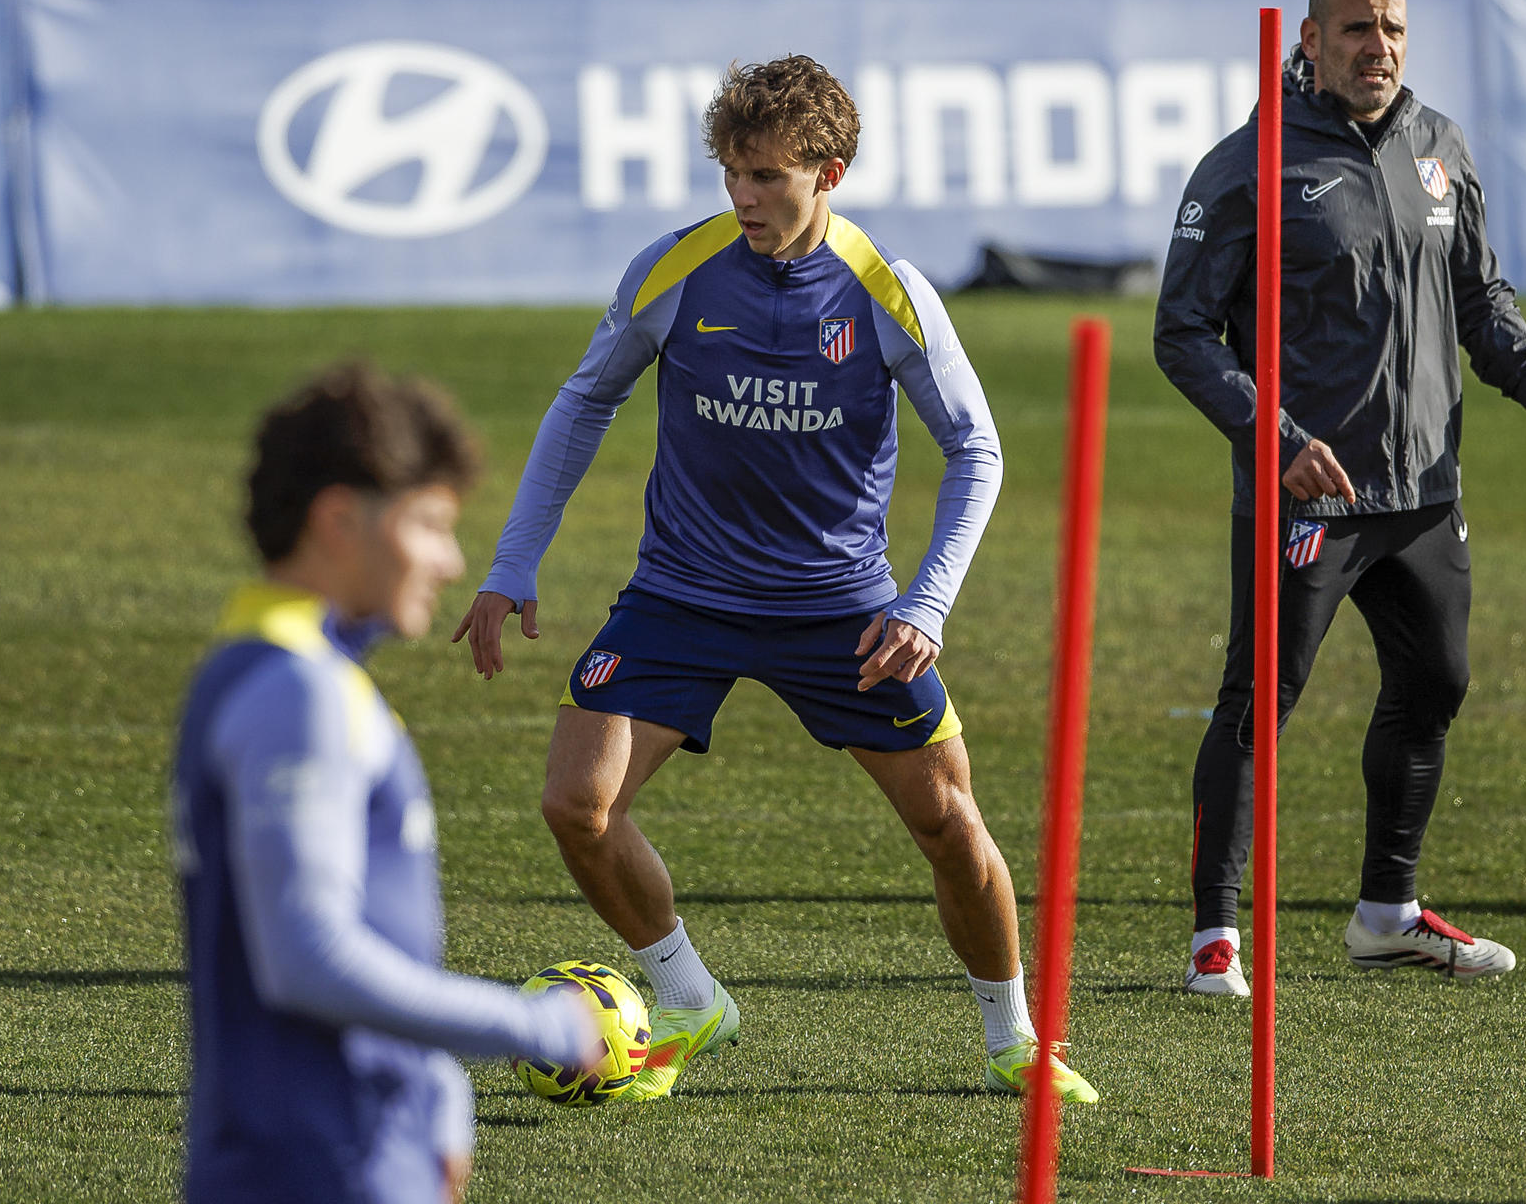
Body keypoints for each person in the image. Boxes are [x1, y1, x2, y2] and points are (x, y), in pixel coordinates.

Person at [453, 56, 1096, 1102]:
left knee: (948, 822)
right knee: (577, 804)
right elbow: (584, 401)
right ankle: (689, 998)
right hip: (682, 593)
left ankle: (1013, 1038)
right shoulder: (675, 271)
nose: (743, 196)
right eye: (731, 173)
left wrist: (926, 603)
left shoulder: (887, 290)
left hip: (842, 611)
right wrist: (513, 560)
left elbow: (975, 450)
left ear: (828, 173)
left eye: (766, 176)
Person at [1155, 0, 1526, 996]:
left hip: (1424, 491)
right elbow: (1182, 333)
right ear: (1311, 40)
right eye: (1357, 28)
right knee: (1259, 701)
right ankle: (1216, 935)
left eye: (1394, 28)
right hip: (1309, 494)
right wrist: (1277, 437)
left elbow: (1480, 300)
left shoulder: (1440, 144)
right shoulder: (1249, 164)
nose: (1380, 47)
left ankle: (1387, 916)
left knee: (1436, 681)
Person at [172, 363, 594, 1204]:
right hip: (322, 1168)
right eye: (429, 524)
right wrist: (533, 1023)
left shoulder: (255, 670)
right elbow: (306, 956)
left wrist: (437, 1092)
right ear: (338, 520)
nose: (451, 560)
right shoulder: (300, 696)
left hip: (339, 1154)